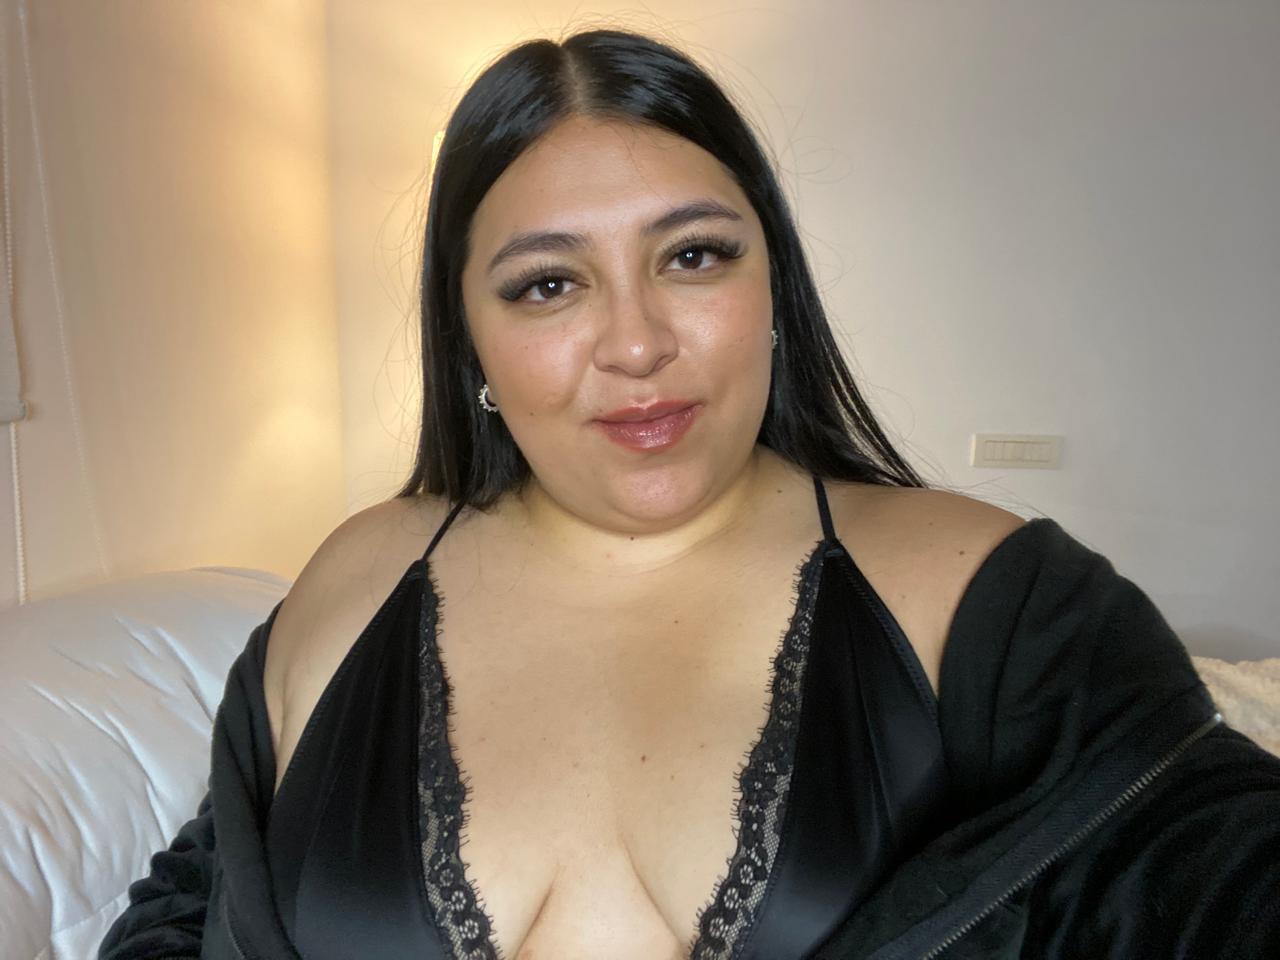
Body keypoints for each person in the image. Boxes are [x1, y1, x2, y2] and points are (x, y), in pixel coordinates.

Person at [99, 27, 1279, 960]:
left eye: (693, 256)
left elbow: (1208, 859)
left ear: (774, 289)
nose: (636, 343)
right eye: (547, 284)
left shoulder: (992, 597)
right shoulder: (353, 580)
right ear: (468, 343)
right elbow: (195, 901)